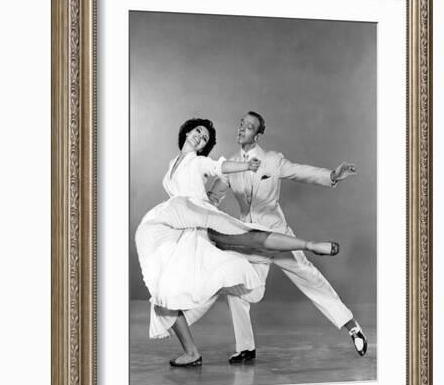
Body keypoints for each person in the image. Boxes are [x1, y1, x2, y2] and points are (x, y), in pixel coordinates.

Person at [135, 118, 340, 368]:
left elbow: (219, 167)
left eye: (206, 138)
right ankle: (191, 353)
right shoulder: (171, 165)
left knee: (248, 234)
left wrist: (245, 167)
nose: (201, 137)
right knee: (162, 296)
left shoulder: (199, 161)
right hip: (179, 227)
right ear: (187, 132)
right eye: (198, 131)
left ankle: (310, 246)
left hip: (200, 221)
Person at [207, 112, 368, 363]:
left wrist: (332, 176)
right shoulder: (230, 164)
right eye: (241, 125)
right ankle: (246, 348)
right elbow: (213, 198)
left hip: (279, 237)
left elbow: (301, 172)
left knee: (312, 280)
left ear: (258, 135)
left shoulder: (272, 160)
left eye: (249, 127)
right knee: (238, 288)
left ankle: (353, 329)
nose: (242, 129)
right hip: (250, 242)